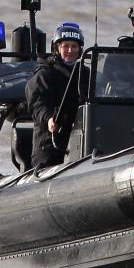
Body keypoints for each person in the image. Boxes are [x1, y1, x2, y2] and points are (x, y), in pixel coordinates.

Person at [24, 20, 86, 170]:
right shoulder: (45, 75)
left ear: (80, 49)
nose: (70, 51)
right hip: (50, 143)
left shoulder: (86, 75)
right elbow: (38, 104)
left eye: (74, 46)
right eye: (65, 46)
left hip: (81, 142)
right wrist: (49, 119)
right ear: (57, 48)